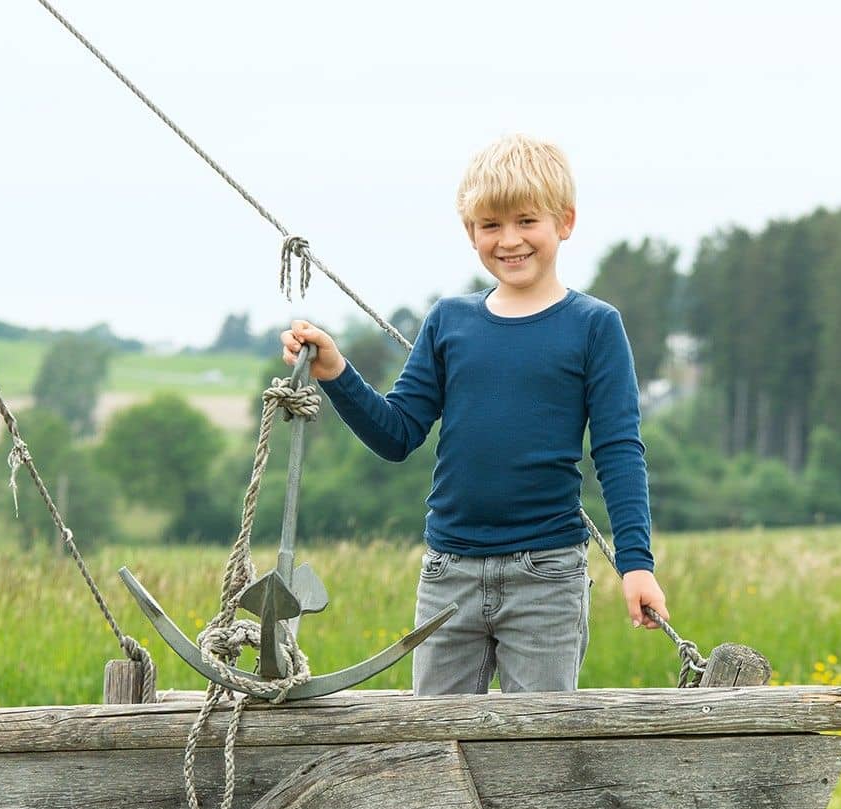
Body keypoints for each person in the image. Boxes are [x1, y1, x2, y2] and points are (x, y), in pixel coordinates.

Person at [281, 133, 668, 696]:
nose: (509, 240)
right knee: (433, 748)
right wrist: (338, 372)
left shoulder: (595, 326)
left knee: (533, 756)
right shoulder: (448, 323)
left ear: (565, 221)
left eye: (526, 221)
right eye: (491, 225)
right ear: (471, 233)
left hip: (548, 578)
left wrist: (636, 563)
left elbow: (618, 451)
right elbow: (397, 434)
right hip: (448, 574)